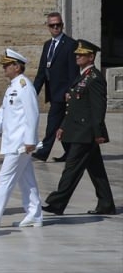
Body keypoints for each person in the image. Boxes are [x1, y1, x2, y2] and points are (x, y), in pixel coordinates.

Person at [42, 39, 116, 216]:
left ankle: (57, 202)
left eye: (81, 55)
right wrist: (63, 126)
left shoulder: (95, 78)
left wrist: (98, 133)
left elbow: (98, 109)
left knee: (72, 168)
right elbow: (73, 107)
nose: (77, 57)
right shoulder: (82, 76)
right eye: (77, 54)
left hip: (86, 132)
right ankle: (106, 203)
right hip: (78, 130)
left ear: (91, 57)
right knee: (96, 170)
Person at [0, 49, 42, 228]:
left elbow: (32, 114)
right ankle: (34, 214)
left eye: (7, 65)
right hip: (13, 141)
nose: (4, 68)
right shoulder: (13, 86)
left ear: (17, 67)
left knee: (5, 179)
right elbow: (3, 112)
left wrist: (30, 141)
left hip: (20, 143)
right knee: (26, 180)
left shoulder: (25, 86)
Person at [32, 12, 78, 162]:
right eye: (52, 25)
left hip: (63, 92)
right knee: (60, 124)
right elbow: (42, 72)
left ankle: (43, 152)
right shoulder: (47, 45)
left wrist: (70, 91)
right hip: (52, 92)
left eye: (58, 25)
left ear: (62, 25)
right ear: (48, 26)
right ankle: (70, 152)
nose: (56, 27)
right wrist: (32, 92)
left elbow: (73, 72)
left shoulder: (70, 44)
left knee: (53, 122)